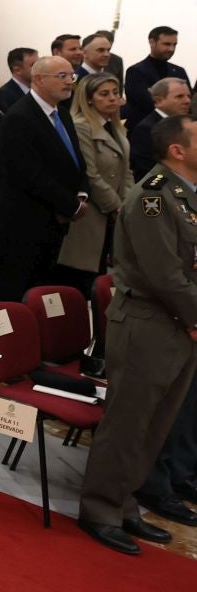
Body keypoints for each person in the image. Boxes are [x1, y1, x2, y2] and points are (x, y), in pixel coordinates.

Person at [77, 115, 197, 552]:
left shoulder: (185, 195)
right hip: (149, 323)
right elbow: (164, 274)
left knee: (156, 424)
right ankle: (99, 509)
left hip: (179, 324)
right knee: (128, 423)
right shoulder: (152, 197)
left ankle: (125, 504)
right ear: (177, 150)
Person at [0, 55, 86, 303]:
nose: (69, 82)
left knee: (42, 289)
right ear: (39, 79)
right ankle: (3, 339)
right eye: (62, 76)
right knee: (15, 288)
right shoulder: (19, 117)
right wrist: (70, 205)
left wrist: (82, 193)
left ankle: (34, 336)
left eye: (71, 76)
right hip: (26, 220)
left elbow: (75, 160)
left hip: (55, 220)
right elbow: (28, 174)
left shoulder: (62, 115)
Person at [58, 70, 128, 290]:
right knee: (84, 280)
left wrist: (129, 203)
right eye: (104, 94)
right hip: (92, 214)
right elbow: (90, 173)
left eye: (115, 93)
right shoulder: (81, 126)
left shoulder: (116, 126)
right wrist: (117, 206)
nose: (112, 98)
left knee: (105, 279)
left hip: (114, 213)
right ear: (88, 98)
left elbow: (126, 170)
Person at [129, 77, 190, 180]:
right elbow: (147, 169)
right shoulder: (146, 129)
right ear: (159, 101)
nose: (187, 101)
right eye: (180, 97)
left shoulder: (188, 125)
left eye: (188, 96)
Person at [124, 25, 186, 123]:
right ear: (152, 42)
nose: (171, 49)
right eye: (167, 44)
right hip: (146, 129)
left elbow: (188, 100)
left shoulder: (179, 71)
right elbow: (147, 103)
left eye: (174, 45)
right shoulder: (136, 72)